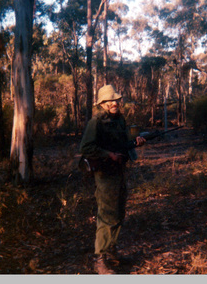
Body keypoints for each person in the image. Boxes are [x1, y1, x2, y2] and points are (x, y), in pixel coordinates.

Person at [79, 85, 146, 274]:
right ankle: (100, 259)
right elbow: (86, 148)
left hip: (119, 171)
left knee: (118, 213)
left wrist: (136, 142)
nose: (114, 103)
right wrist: (109, 155)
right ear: (102, 103)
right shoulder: (96, 122)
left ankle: (112, 254)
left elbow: (124, 143)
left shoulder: (120, 120)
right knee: (106, 215)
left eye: (116, 100)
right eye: (110, 100)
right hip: (105, 174)